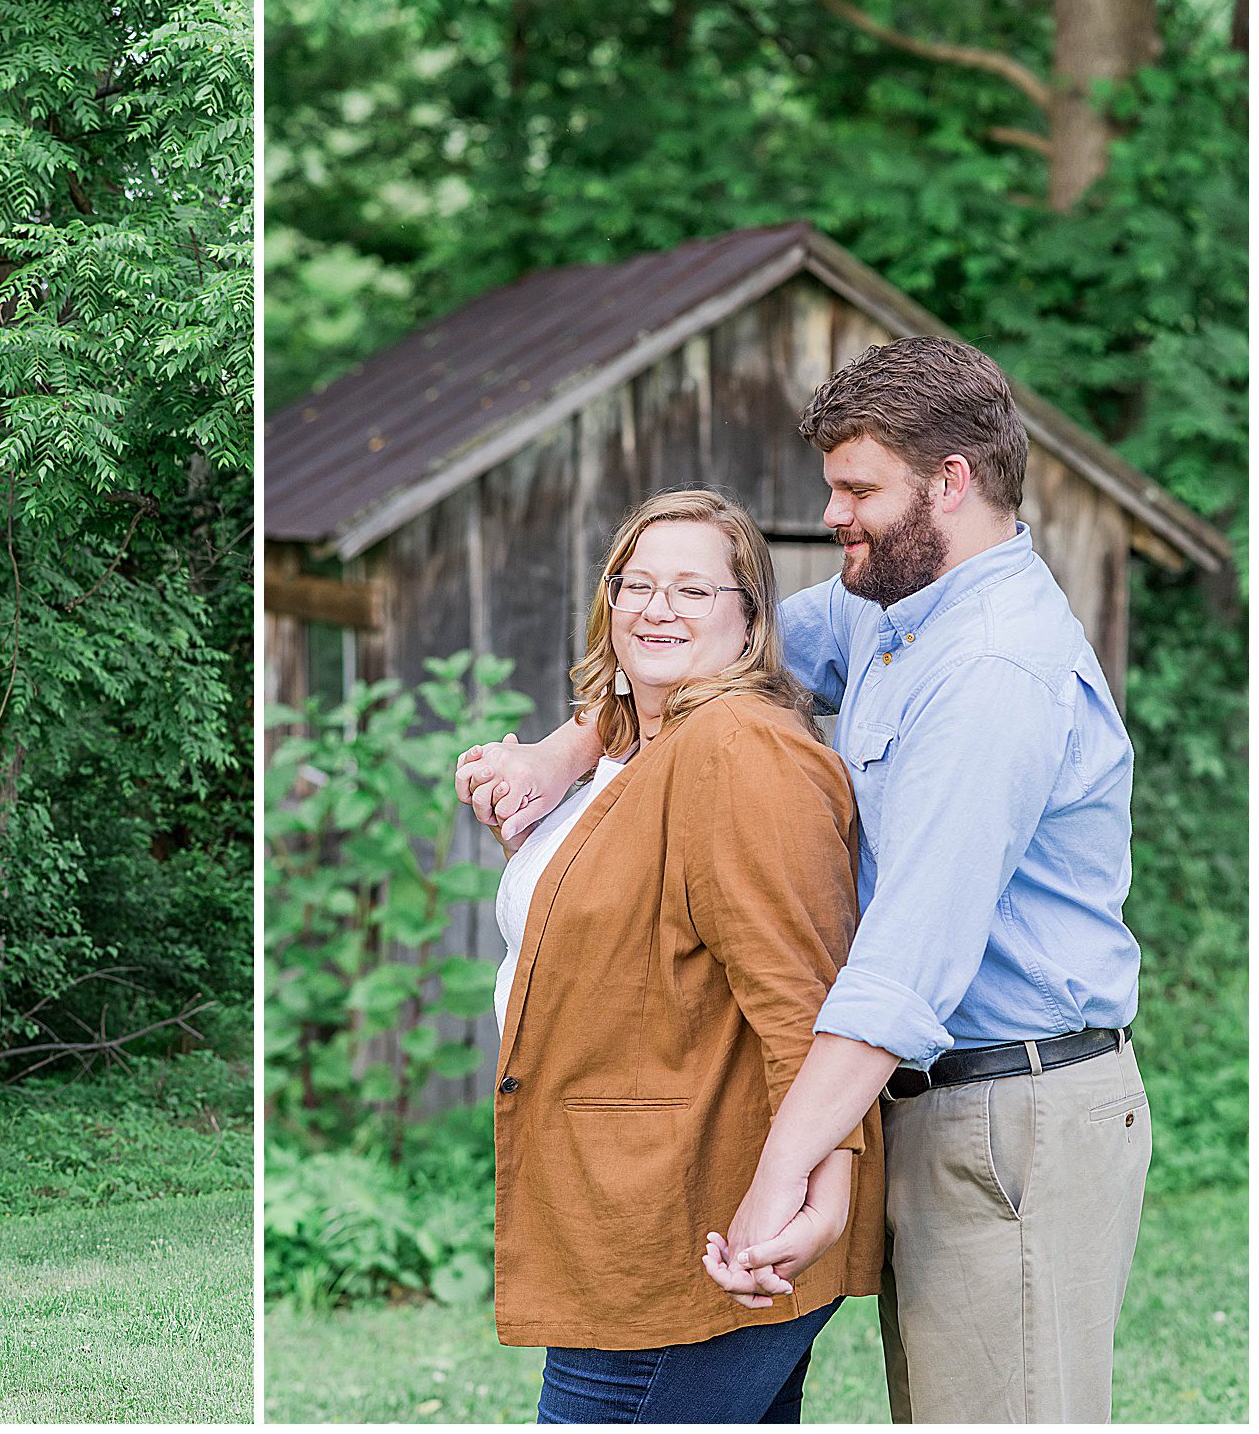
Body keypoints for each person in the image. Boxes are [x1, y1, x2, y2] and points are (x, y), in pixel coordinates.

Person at [458, 337, 1149, 1423]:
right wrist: (560, 750)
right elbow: (700, 651)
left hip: (1010, 1107)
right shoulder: (893, 602)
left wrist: (784, 1168)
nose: (831, 513)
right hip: (914, 1097)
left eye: (855, 488)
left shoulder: (990, 673)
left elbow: (900, 968)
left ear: (950, 482)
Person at [483, 488, 883, 1423]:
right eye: (639, 584)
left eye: (696, 590)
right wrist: (552, 759)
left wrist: (816, 1202)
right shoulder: (645, 743)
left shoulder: (741, 750)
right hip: (627, 1216)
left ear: (749, 619)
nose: (659, 608)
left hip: (693, 1224)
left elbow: (805, 1002)